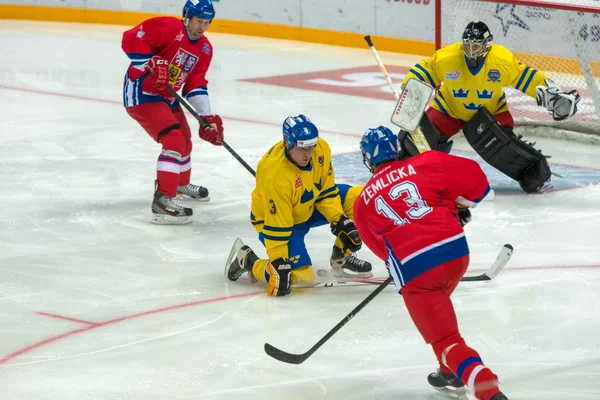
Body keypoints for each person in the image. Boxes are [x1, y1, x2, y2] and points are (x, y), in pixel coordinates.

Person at [353, 126, 508, 400]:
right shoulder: (427, 162)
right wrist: (458, 207)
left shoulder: (362, 203)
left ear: (368, 160)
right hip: (455, 254)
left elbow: (382, 251)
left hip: (418, 271)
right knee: (440, 314)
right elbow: (477, 181)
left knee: (447, 341)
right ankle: (448, 371)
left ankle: (488, 389)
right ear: (397, 150)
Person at [402, 20, 580, 194]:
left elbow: (525, 77)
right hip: (449, 110)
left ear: (487, 46)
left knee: (505, 148)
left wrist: (552, 95)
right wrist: (411, 85)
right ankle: (402, 172)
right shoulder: (446, 58)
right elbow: (427, 69)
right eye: (468, 45)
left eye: (476, 46)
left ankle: (532, 170)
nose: (471, 51)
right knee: (415, 142)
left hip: (491, 113)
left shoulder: (501, 61)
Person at [225, 114, 372, 296]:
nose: (308, 154)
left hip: (309, 205)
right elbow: (277, 224)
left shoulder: (321, 149)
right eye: (302, 148)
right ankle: (250, 262)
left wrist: (339, 220)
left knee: (364, 199)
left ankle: (341, 255)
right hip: (280, 223)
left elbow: (326, 191)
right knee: (299, 280)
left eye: (311, 147)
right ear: (288, 144)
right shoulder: (275, 175)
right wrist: (279, 260)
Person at [121, 0, 224, 224]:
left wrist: (206, 118)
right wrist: (150, 61)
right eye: (199, 21)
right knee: (174, 139)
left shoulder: (205, 49)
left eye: (207, 23)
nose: (202, 27)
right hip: (142, 93)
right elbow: (130, 38)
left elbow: (195, 84)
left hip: (167, 97)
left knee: (185, 139)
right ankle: (162, 200)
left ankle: (178, 183)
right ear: (187, 16)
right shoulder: (168, 28)